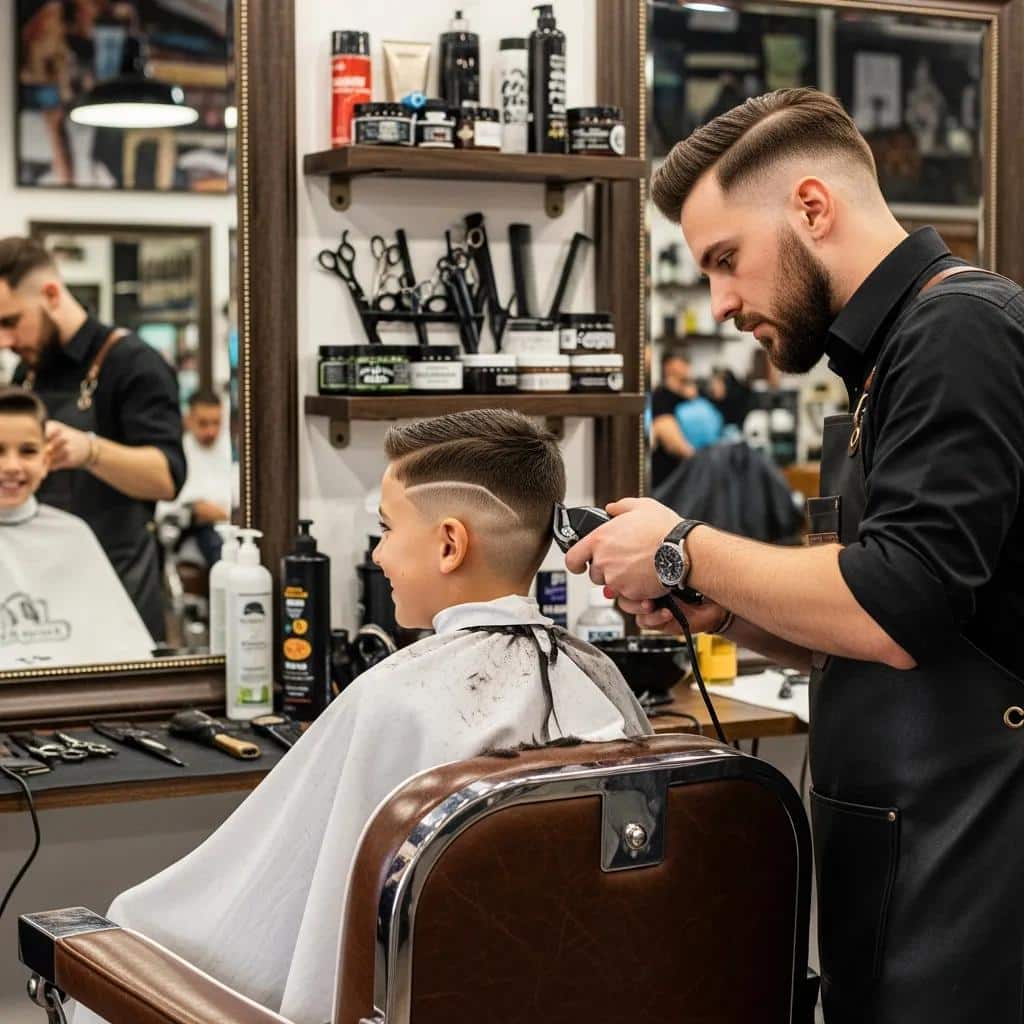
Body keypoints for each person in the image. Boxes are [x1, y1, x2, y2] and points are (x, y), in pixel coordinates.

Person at [566, 88, 1024, 1023]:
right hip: (902, 866)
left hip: (973, 886)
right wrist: (727, 613)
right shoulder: (881, 363)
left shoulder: (958, 331)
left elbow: (900, 603)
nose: (722, 303)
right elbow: (885, 622)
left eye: (726, 260)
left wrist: (682, 547)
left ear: (812, 207)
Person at [72, 410, 650, 1024]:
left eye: (386, 528)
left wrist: (114, 946)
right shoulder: (598, 679)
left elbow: (273, 931)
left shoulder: (395, 701)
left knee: (127, 931)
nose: (378, 553)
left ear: (450, 544)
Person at [0, 236, 185, 641]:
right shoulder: (28, 371)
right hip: (41, 585)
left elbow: (165, 478)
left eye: (10, 322)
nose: (5, 341)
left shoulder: (134, 364)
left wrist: (90, 451)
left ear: (51, 294)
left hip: (116, 585)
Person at [0, 387, 153, 668]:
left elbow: (125, 650)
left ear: (46, 460)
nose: (11, 466)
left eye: (27, 451)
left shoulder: (73, 535)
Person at [156, 389, 233, 566]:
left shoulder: (230, 451)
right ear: (189, 420)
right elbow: (164, 509)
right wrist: (194, 509)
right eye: (203, 423)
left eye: (216, 423)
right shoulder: (177, 453)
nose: (211, 431)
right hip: (192, 531)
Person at [649, 346, 722, 487]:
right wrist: (702, 463)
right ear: (666, 367)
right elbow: (670, 439)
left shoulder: (699, 395)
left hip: (699, 469)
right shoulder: (661, 397)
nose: (683, 370)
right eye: (677, 367)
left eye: (685, 364)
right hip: (674, 474)